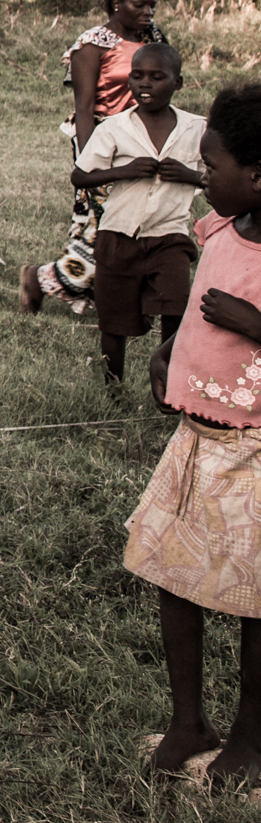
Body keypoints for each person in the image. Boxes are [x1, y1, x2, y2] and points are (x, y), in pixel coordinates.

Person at [129, 82, 261, 786]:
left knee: (254, 601)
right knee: (174, 577)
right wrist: (165, 353)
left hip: (255, 454)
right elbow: (191, 320)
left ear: (258, 175)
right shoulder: (216, 231)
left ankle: (250, 738)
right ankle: (189, 720)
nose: (202, 173)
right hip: (195, 441)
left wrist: (254, 323)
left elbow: (234, 316)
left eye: (212, 165)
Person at [22, 0, 168, 315]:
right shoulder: (92, 44)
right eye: (140, 4)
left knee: (137, 218)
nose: (148, 12)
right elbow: (84, 108)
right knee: (100, 220)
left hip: (141, 137)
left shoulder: (154, 38)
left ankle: (109, 291)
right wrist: (91, 160)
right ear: (117, 4)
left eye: (152, 5)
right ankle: (43, 279)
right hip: (102, 137)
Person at [71, 43, 204, 385]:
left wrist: (189, 176)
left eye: (157, 77)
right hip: (118, 236)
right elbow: (81, 175)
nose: (145, 84)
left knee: (176, 307)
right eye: (138, 76)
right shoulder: (114, 128)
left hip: (170, 236)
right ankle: (113, 387)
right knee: (114, 320)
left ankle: (169, 380)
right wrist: (124, 170)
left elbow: (217, 177)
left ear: (178, 83)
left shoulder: (197, 129)